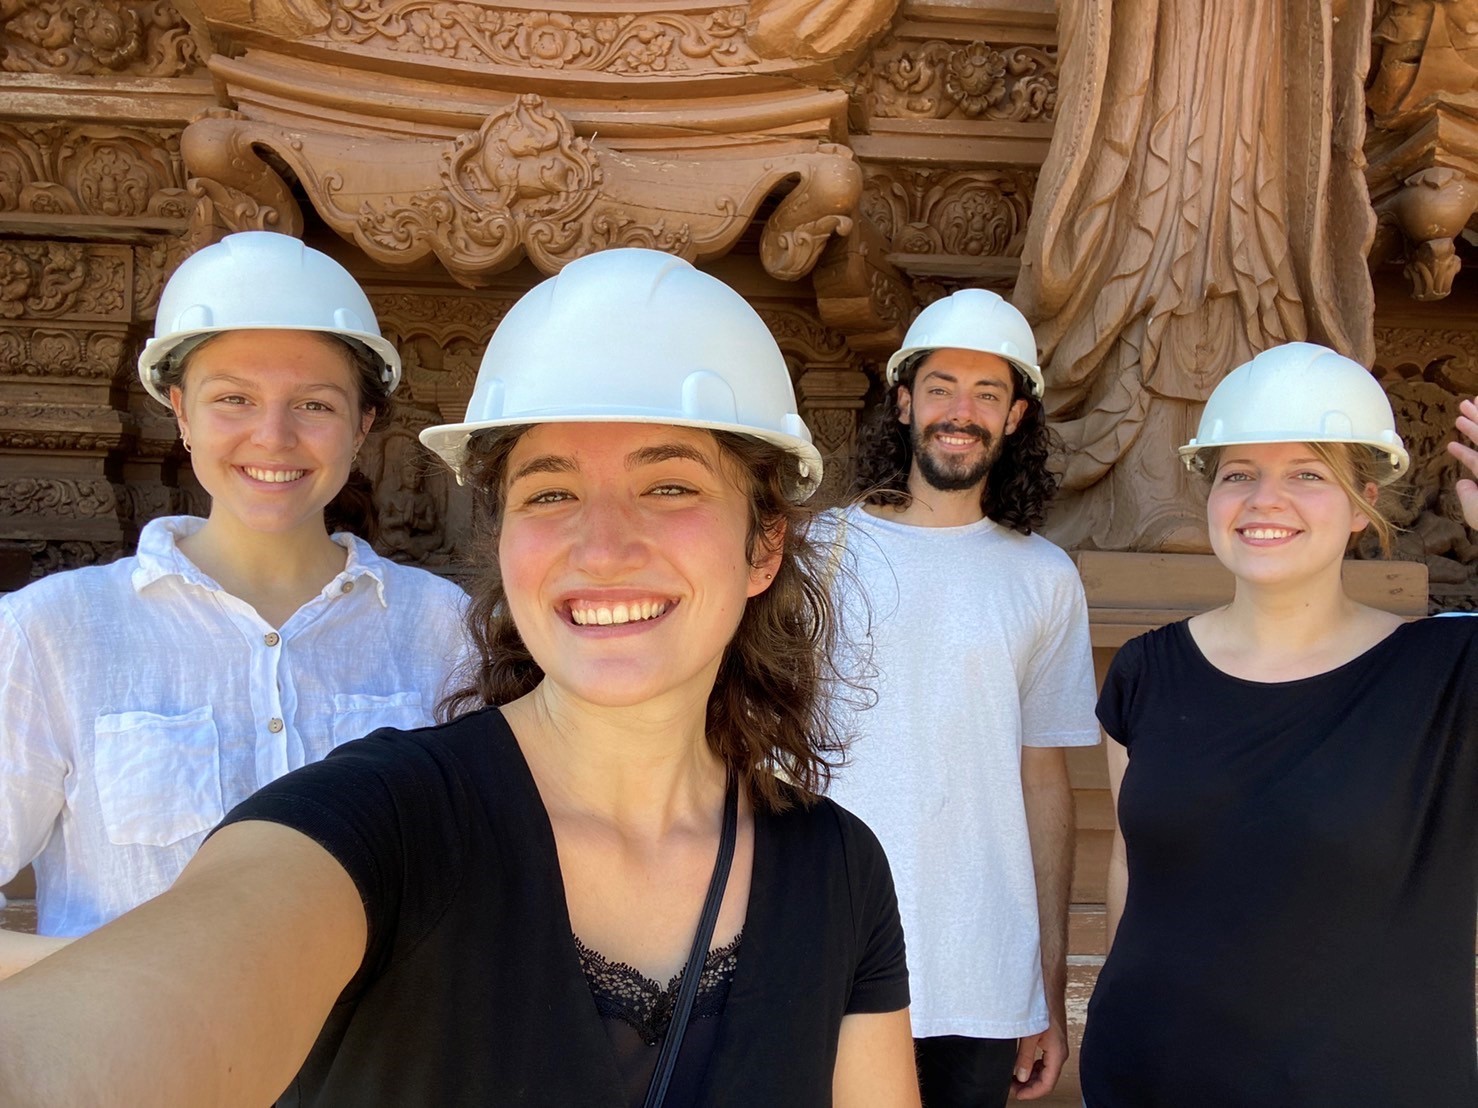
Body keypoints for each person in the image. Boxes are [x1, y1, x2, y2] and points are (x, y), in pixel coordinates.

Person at [0, 247, 921, 1108]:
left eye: (670, 486)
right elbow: (148, 1007)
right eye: (550, 492)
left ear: (764, 545)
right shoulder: (378, 819)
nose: (601, 550)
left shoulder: (838, 872)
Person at [0, 231, 468, 977]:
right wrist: (129, 975)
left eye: (313, 403)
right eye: (233, 399)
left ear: (363, 424)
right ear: (180, 412)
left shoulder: (441, 629)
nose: (272, 438)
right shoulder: (51, 632)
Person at [1080, 341, 1478, 1106]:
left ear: (1363, 502)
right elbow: (1135, 870)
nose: (1265, 499)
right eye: (1239, 474)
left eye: (1307, 473)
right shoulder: (1146, 672)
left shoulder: (1446, 672)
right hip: (1151, 1078)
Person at [825, 289, 1099, 1105]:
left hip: (980, 972)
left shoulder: (1044, 577)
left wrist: (1044, 985)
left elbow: (1044, 783)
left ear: (1017, 417)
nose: (961, 411)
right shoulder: (814, 557)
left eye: (988, 393)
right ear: (903, 399)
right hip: (825, 953)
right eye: (942, 386)